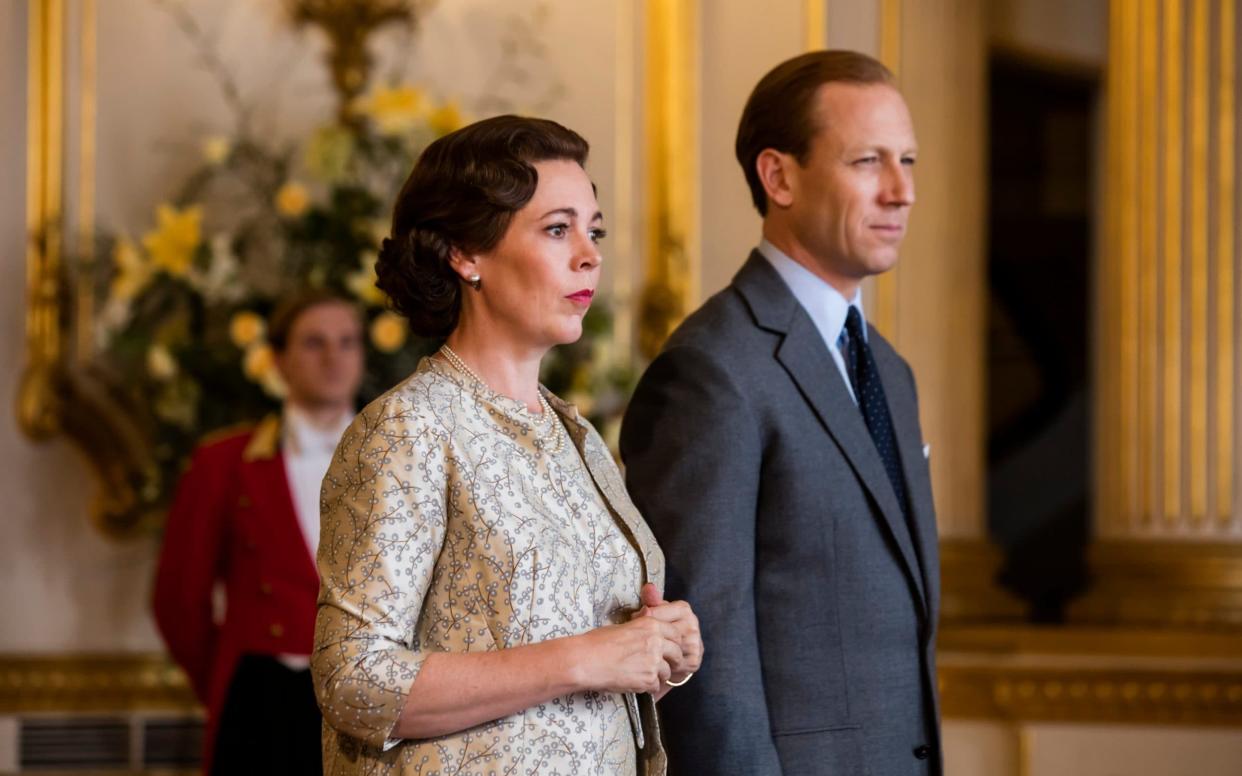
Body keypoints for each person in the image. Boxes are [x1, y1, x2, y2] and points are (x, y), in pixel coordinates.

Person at [311, 114, 702, 776]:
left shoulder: (575, 434)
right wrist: (587, 656)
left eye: (593, 230)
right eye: (558, 229)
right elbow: (351, 680)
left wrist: (661, 648)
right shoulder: (409, 428)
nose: (589, 253)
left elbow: (583, 674)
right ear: (467, 254)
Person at [620, 50, 941, 775]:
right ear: (779, 176)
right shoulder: (711, 369)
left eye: (908, 161)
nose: (901, 191)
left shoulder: (890, 370)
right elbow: (702, 658)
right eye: (868, 161)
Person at [153, 290, 366, 775]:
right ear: (278, 360)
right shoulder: (223, 463)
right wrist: (232, 684)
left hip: (375, 698)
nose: (335, 358)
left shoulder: (403, 457)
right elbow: (178, 598)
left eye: (348, 342)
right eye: (315, 343)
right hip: (264, 704)